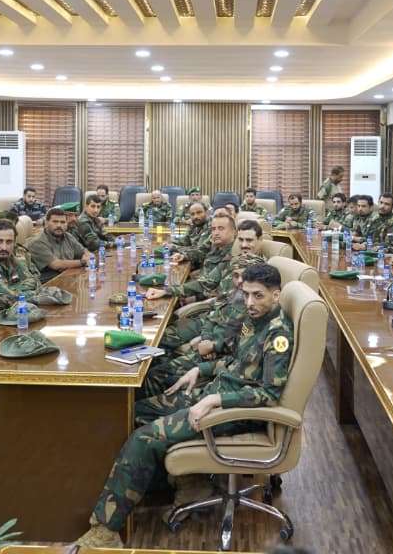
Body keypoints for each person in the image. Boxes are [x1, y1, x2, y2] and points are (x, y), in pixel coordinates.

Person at [74, 263, 294, 548]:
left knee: (144, 438)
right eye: (247, 294)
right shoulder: (254, 320)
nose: (250, 302)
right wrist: (201, 369)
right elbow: (237, 363)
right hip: (212, 394)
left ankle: (105, 533)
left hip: (233, 413)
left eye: (258, 295)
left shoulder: (278, 335)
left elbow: (269, 393)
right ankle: (189, 483)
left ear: (276, 295)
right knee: (133, 412)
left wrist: (216, 399)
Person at [144, 252, 266, 395]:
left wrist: (213, 346)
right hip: (207, 347)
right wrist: (206, 338)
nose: (239, 281)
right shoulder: (231, 294)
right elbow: (212, 318)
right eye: (235, 275)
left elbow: (237, 347)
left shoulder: (255, 309)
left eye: (245, 276)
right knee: (156, 360)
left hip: (219, 360)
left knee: (154, 375)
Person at [147, 212, 236, 303]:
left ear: (234, 231)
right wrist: (184, 256)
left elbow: (206, 284)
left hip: (211, 300)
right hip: (201, 287)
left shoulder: (232, 255)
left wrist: (167, 291)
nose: (216, 233)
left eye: (221, 228)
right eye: (213, 229)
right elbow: (200, 251)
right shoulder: (216, 243)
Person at [26, 207, 90, 281]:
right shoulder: (38, 242)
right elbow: (56, 265)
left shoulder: (68, 236)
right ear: (46, 223)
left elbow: (84, 252)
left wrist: (86, 257)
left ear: (66, 224)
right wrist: (83, 262)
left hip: (67, 277)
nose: (59, 225)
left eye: (63, 222)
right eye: (55, 222)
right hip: (47, 283)